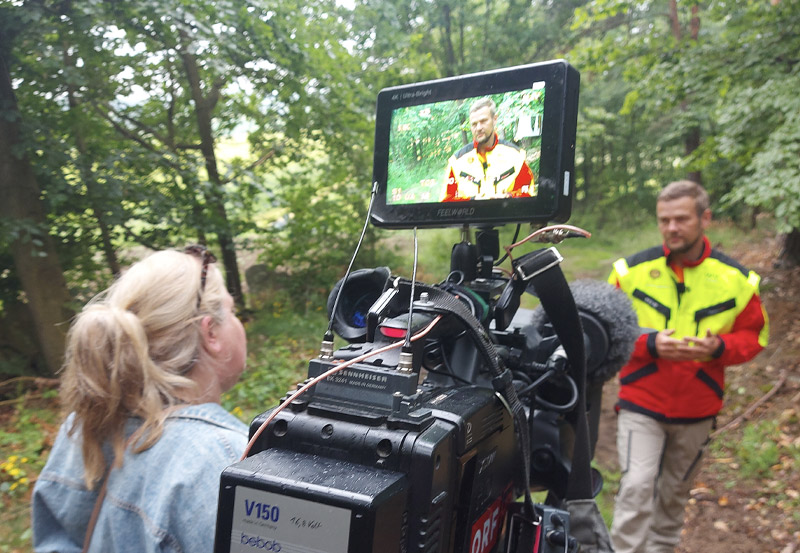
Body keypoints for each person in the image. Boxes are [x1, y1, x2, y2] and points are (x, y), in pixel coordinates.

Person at [32, 246, 249, 553]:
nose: (238, 323)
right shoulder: (222, 460)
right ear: (210, 332)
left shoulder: (82, 426)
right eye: (232, 311)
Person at [607, 180, 769, 553]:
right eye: (664, 220)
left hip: (698, 407)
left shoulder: (738, 280)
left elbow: (755, 337)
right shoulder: (629, 272)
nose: (672, 228)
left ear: (705, 218)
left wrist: (718, 348)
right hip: (641, 401)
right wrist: (650, 343)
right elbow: (606, 332)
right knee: (636, 487)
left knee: (673, 494)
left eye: (681, 219)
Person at [442, 97, 535, 201]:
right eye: (474, 124)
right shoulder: (456, 161)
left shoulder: (516, 156)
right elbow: (446, 201)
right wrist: (472, 201)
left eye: (483, 121)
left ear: (494, 119)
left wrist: (508, 198)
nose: (478, 128)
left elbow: (527, 194)